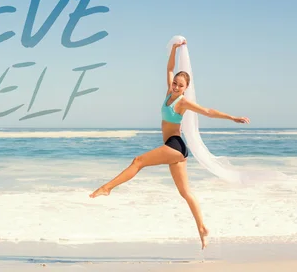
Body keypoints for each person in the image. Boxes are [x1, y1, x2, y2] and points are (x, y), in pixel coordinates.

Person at [89, 39, 250, 249]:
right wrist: (174, 48)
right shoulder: (168, 94)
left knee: (138, 161)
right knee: (185, 193)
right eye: (174, 83)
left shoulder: (182, 102)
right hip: (175, 148)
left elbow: (208, 111)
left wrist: (232, 117)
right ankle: (202, 228)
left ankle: (107, 188)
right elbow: (170, 67)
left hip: (176, 146)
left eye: (179, 85)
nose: (175, 86)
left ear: (186, 88)